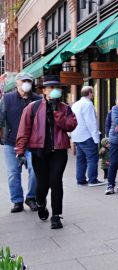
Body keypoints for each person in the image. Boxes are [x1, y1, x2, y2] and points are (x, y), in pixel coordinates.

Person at [16, 74, 77, 229]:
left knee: (55, 182)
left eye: (57, 87)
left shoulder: (65, 108)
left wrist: (57, 112)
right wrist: (20, 151)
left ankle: (56, 216)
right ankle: (41, 203)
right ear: (44, 90)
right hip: (39, 151)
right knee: (42, 184)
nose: (54, 90)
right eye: (51, 87)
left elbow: (70, 126)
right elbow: (24, 130)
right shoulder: (32, 107)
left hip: (59, 150)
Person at [0, 72, 41, 213]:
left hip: (32, 144)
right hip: (12, 143)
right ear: (17, 82)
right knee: (13, 173)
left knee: (35, 171)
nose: (26, 83)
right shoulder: (7, 99)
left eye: (29, 81)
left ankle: (31, 197)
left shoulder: (38, 99)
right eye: (24, 80)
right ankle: (17, 201)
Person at [71, 86, 104, 186]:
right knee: (92, 159)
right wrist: (96, 138)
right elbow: (91, 122)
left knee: (80, 159)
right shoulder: (88, 104)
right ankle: (92, 180)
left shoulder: (76, 104)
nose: (93, 94)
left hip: (76, 136)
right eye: (93, 92)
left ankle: (80, 180)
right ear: (89, 93)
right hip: (87, 136)